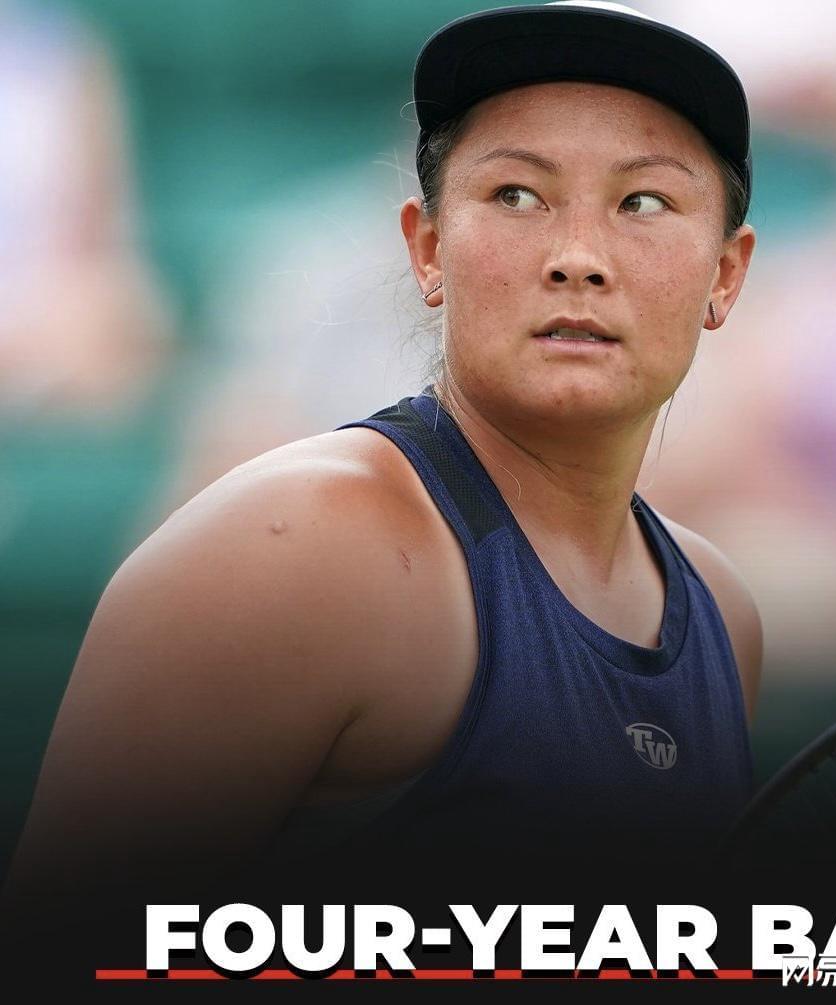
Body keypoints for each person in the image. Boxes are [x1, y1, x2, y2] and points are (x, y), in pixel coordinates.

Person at [2, 0, 760, 925]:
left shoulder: (721, 613)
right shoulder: (289, 549)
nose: (577, 258)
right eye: (516, 195)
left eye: (643, 202)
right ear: (427, 249)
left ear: (725, 275)